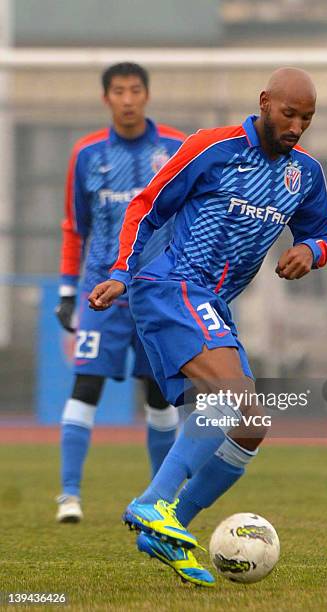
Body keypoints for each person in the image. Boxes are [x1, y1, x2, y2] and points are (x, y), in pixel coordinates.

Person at [89, 67, 327, 587]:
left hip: (213, 304)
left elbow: (323, 231)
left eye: (307, 119)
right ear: (265, 102)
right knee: (232, 393)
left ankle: (169, 527)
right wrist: (119, 271)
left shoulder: (304, 174)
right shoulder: (213, 147)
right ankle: (152, 503)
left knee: (251, 423)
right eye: (289, 113)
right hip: (169, 284)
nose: (297, 126)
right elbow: (146, 205)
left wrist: (309, 251)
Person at [55, 62, 185, 523]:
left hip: (155, 293)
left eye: (135, 90)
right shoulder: (87, 153)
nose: (128, 99)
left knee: (159, 395)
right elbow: (75, 227)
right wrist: (67, 290)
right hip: (98, 293)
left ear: (147, 95)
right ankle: (69, 495)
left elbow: (184, 221)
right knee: (85, 384)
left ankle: (159, 502)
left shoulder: (174, 148)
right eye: (118, 91)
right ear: (106, 98)